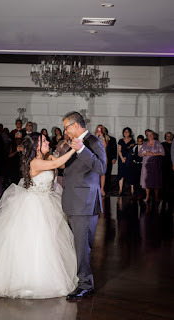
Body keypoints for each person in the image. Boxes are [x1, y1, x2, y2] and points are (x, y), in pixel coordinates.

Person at [0, 132, 78, 299]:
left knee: (49, 240)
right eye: (44, 140)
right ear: (36, 146)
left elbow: (61, 165)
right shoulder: (36, 162)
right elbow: (60, 162)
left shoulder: (49, 157)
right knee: (35, 240)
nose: (47, 142)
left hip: (47, 203)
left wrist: (67, 154)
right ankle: (26, 279)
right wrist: (74, 148)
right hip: (34, 206)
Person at [62, 111, 106, 300]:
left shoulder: (94, 142)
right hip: (73, 201)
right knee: (75, 245)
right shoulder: (71, 143)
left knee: (82, 247)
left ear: (75, 126)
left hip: (85, 203)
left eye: (66, 127)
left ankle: (85, 284)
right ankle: (79, 279)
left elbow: (101, 168)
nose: (65, 131)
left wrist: (81, 150)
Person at [139, 130, 165, 202]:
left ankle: (156, 197)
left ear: (153, 135)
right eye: (148, 135)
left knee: (155, 180)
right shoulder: (145, 144)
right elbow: (140, 154)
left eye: (151, 134)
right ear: (146, 136)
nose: (150, 136)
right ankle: (147, 197)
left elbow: (162, 153)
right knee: (147, 181)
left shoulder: (158, 143)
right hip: (146, 165)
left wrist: (153, 154)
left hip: (155, 164)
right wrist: (145, 153)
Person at [118, 127, 135, 195]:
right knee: (121, 174)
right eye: (125, 132)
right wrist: (122, 158)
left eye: (127, 132)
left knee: (131, 174)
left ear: (130, 133)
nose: (126, 133)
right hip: (122, 159)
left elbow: (132, 151)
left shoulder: (132, 141)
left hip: (130, 160)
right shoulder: (121, 141)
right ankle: (120, 189)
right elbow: (119, 151)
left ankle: (132, 190)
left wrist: (127, 159)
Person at [95, 125, 109, 196]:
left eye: (101, 128)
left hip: (103, 156)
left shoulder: (106, 137)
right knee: (95, 173)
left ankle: (102, 189)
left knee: (103, 173)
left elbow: (105, 145)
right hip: (95, 156)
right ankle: (96, 189)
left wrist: (102, 136)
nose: (99, 130)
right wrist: (96, 136)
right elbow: (92, 145)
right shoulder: (94, 136)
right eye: (98, 128)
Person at [131, 135, 144, 199]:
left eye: (140, 141)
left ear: (143, 141)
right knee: (135, 179)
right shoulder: (135, 147)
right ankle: (135, 193)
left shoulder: (144, 147)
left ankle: (141, 193)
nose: (139, 142)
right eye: (138, 141)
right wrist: (134, 162)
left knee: (141, 180)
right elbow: (133, 155)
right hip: (136, 165)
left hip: (142, 165)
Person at [162, 132, 174, 200]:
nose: (168, 137)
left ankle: (170, 194)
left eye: (169, 136)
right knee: (164, 179)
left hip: (171, 163)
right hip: (164, 163)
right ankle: (164, 194)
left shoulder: (173, 144)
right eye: (167, 136)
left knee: (171, 179)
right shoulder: (162, 144)